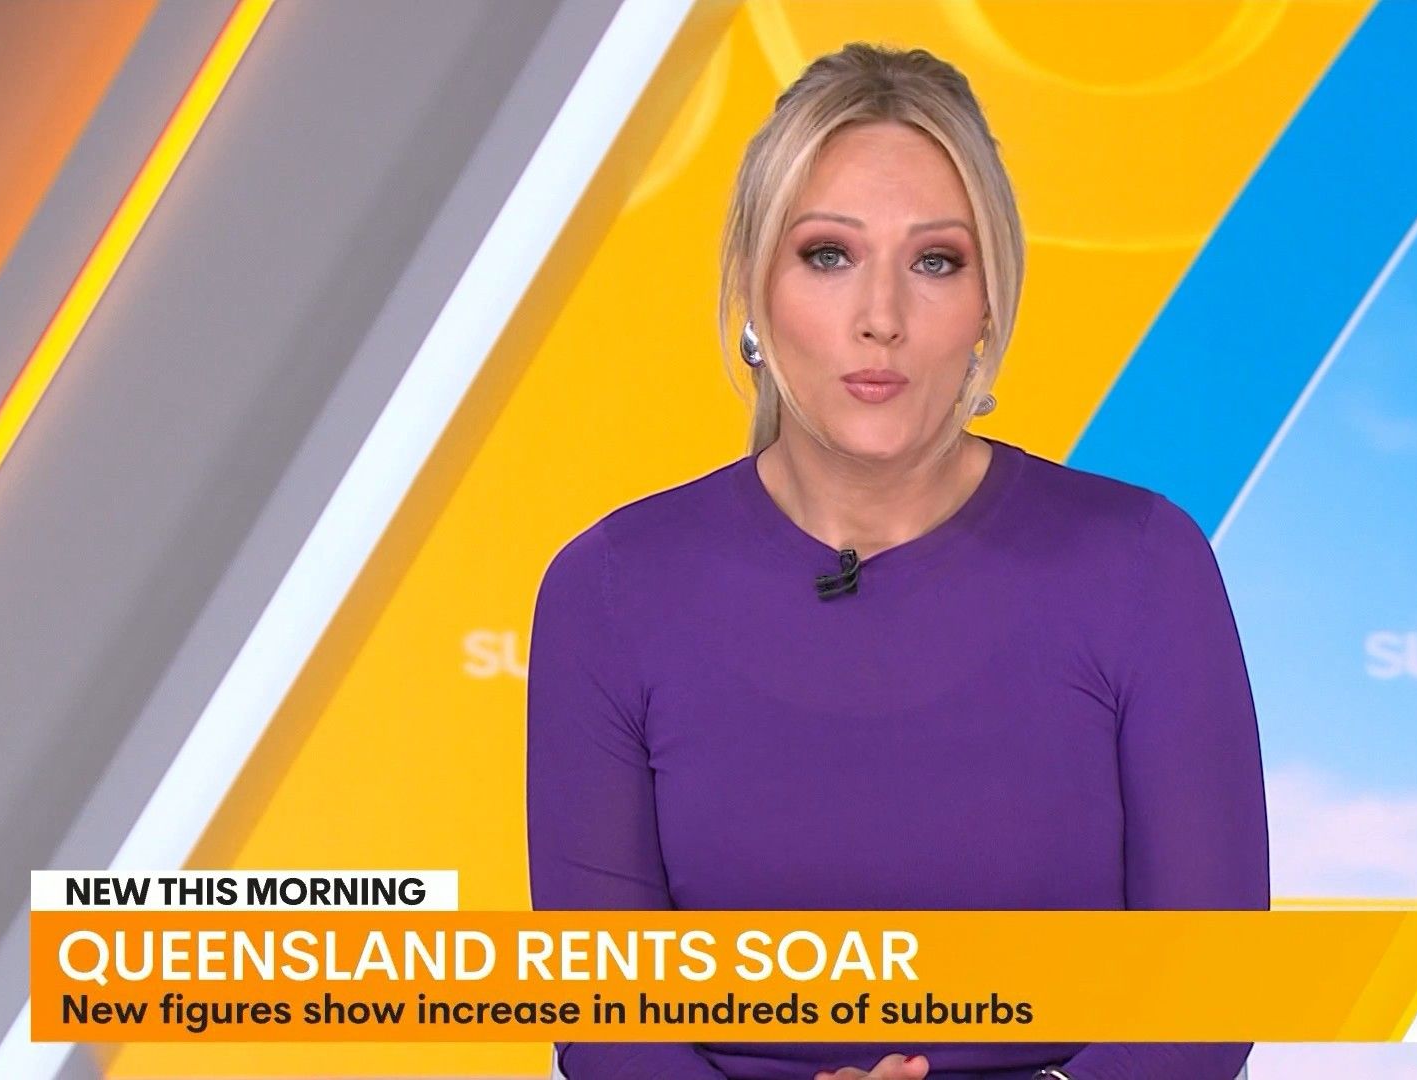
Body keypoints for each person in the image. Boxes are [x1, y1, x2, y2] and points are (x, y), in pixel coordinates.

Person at [526, 42, 1268, 1080]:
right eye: (829, 254)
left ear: (989, 302)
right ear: (754, 289)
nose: (881, 318)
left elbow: (1210, 987)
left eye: (936, 262)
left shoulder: (1143, 566)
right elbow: (606, 1020)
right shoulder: (609, 590)